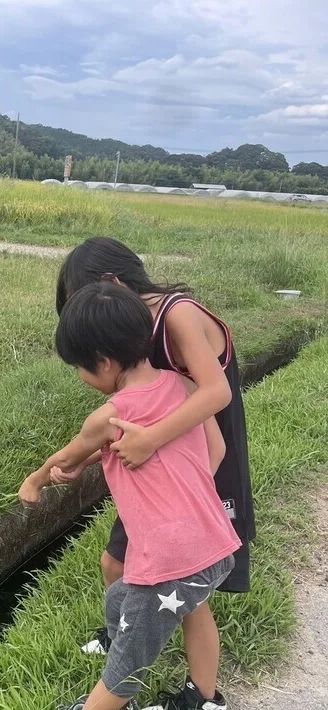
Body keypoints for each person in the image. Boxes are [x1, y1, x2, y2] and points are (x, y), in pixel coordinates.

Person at [19, 283, 240, 710]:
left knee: (132, 648)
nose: (80, 375)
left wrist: (36, 479)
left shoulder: (111, 416)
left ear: (103, 361)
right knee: (155, 603)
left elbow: (69, 456)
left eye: (79, 367)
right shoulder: (181, 385)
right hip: (214, 542)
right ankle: (204, 706)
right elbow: (215, 450)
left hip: (169, 557)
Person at [54, 238, 254, 628]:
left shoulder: (176, 314)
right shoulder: (131, 329)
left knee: (186, 573)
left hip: (203, 451)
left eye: (83, 299)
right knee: (120, 560)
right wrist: (88, 456)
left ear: (112, 282)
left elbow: (217, 392)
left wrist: (149, 439)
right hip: (164, 453)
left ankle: (191, 678)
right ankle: (126, 635)